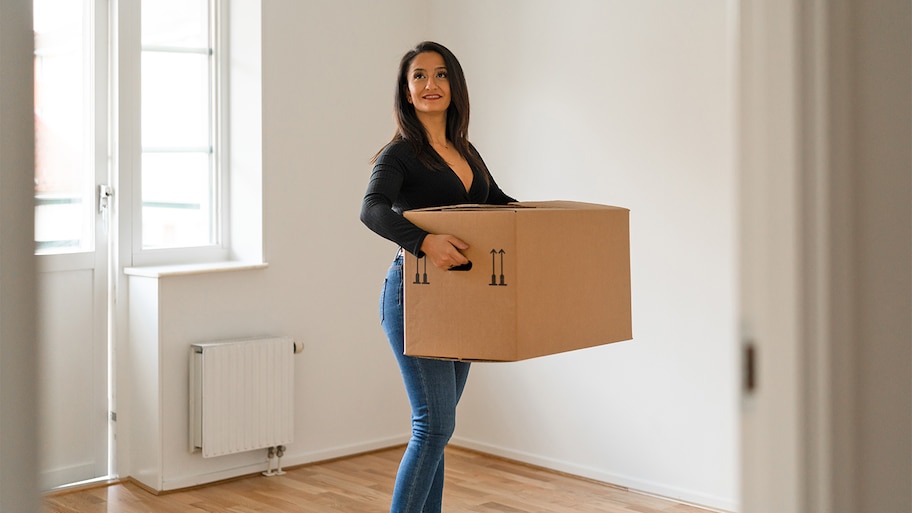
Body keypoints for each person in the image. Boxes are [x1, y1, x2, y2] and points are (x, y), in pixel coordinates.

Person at [360, 41, 516, 513]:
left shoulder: (465, 150)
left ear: (455, 86)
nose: (431, 84)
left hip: (462, 299)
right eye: (420, 76)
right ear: (407, 92)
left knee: (439, 430)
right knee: (433, 426)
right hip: (414, 295)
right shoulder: (400, 154)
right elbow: (371, 210)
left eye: (442, 75)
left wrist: (551, 224)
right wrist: (424, 242)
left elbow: (499, 204)